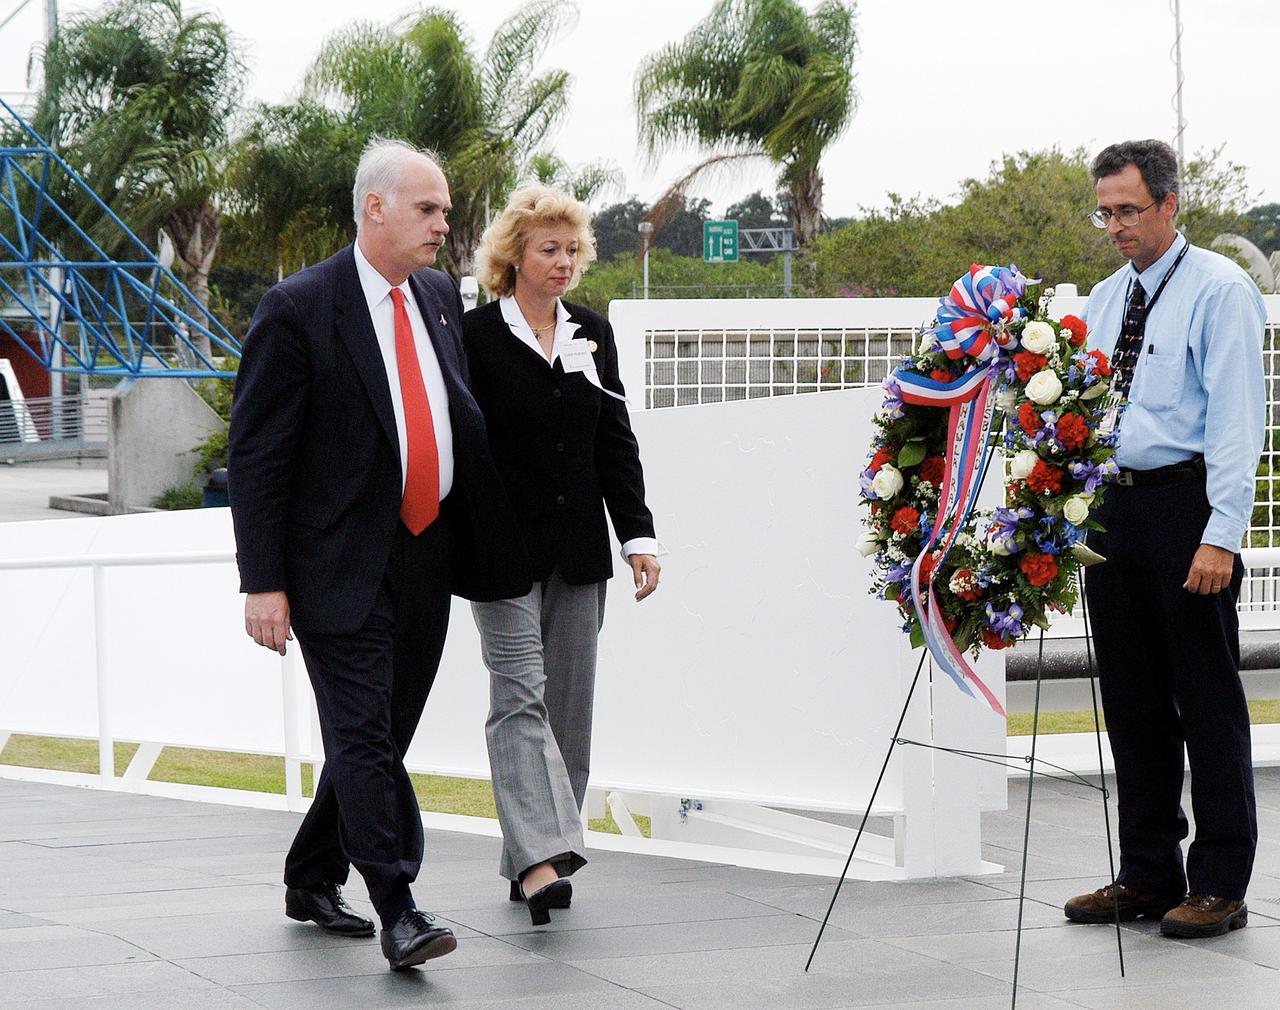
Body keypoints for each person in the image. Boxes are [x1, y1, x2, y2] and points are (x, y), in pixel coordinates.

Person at [228, 138, 529, 969]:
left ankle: (310, 872)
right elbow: (258, 456)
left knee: (380, 736)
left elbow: (449, 415)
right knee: (362, 736)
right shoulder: (298, 307)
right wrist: (264, 583)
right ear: (376, 208)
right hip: (335, 567)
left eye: (445, 210)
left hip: (426, 553)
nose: (444, 224)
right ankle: (399, 906)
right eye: (429, 209)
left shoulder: (435, 296)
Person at [1064, 139, 1266, 938]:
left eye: (1129, 210)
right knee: (1132, 700)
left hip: (1187, 510)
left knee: (1207, 699)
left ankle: (1220, 880)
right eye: (1105, 211)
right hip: (1114, 515)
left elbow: (1236, 423)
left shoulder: (1221, 288)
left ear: (1169, 205)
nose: (1116, 225)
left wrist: (1221, 534)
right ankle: (1148, 871)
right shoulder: (1106, 297)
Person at [463, 185, 662, 925]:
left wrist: (637, 535)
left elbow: (616, 442)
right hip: (499, 550)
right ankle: (544, 860)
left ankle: (528, 857)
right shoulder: (474, 337)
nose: (564, 262)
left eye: (572, 249)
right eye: (549, 249)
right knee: (518, 697)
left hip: (580, 548)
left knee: (567, 710)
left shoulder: (593, 332)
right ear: (513, 256)